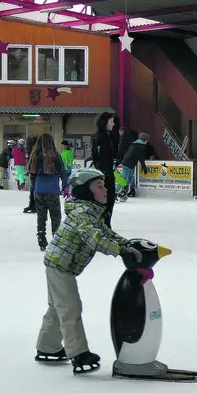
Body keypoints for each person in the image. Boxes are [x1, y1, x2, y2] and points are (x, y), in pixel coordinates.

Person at [35, 166, 139, 375]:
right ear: (84, 191)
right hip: (60, 266)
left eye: (104, 186)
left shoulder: (90, 211)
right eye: (99, 187)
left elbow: (106, 233)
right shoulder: (82, 214)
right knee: (70, 307)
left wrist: (127, 244)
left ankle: (47, 347)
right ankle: (79, 353)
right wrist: (120, 251)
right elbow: (95, 238)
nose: (105, 190)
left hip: (60, 264)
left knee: (57, 307)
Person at [27, 133, 71, 251]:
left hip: (39, 189)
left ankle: (41, 238)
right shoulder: (56, 156)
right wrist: (65, 188)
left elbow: (32, 175)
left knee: (41, 216)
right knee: (55, 216)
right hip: (52, 190)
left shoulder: (35, 155)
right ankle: (56, 239)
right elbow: (63, 173)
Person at [91, 112, 122, 218]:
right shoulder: (102, 137)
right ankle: (105, 226)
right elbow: (101, 157)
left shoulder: (102, 136)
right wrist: (105, 174)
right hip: (105, 176)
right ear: (104, 123)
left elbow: (96, 157)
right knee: (107, 203)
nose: (113, 124)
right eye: (111, 122)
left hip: (103, 174)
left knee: (105, 204)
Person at [118, 131, 155, 198]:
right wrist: (144, 168)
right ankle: (116, 192)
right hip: (127, 164)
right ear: (145, 140)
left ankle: (125, 192)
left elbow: (128, 153)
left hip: (129, 164)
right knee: (124, 179)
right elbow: (141, 159)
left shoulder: (134, 144)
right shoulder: (140, 147)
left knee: (130, 179)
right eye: (147, 140)